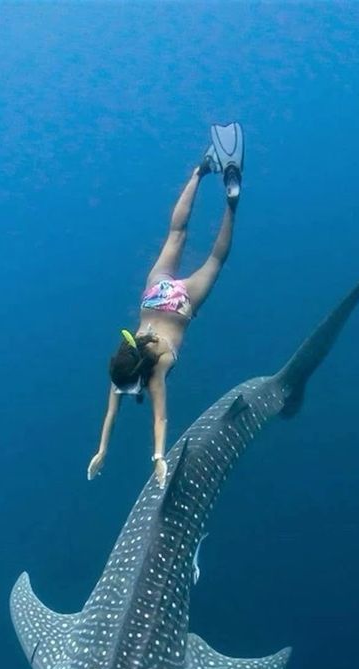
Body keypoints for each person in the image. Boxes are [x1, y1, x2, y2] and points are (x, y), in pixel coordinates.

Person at [87, 123, 245, 489]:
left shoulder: (155, 371)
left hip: (180, 307)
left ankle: (232, 201)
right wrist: (102, 448)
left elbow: (159, 419)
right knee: (176, 234)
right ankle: (201, 171)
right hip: (155, 296)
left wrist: (156, 457)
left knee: (216, 259)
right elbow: (112, 414)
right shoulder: (125, 358)